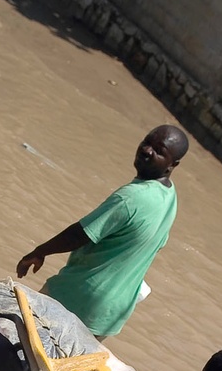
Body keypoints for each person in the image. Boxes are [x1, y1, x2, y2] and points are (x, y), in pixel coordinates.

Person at [14, 125, 188, 338]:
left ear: (173, 165)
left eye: (158, 150)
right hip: (110, 314)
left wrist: (39, 252)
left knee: (20, 343)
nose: (146, 150)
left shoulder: (132, 197)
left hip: (79, 297)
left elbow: (80, 234)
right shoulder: (170, 197)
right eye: (147, 142)